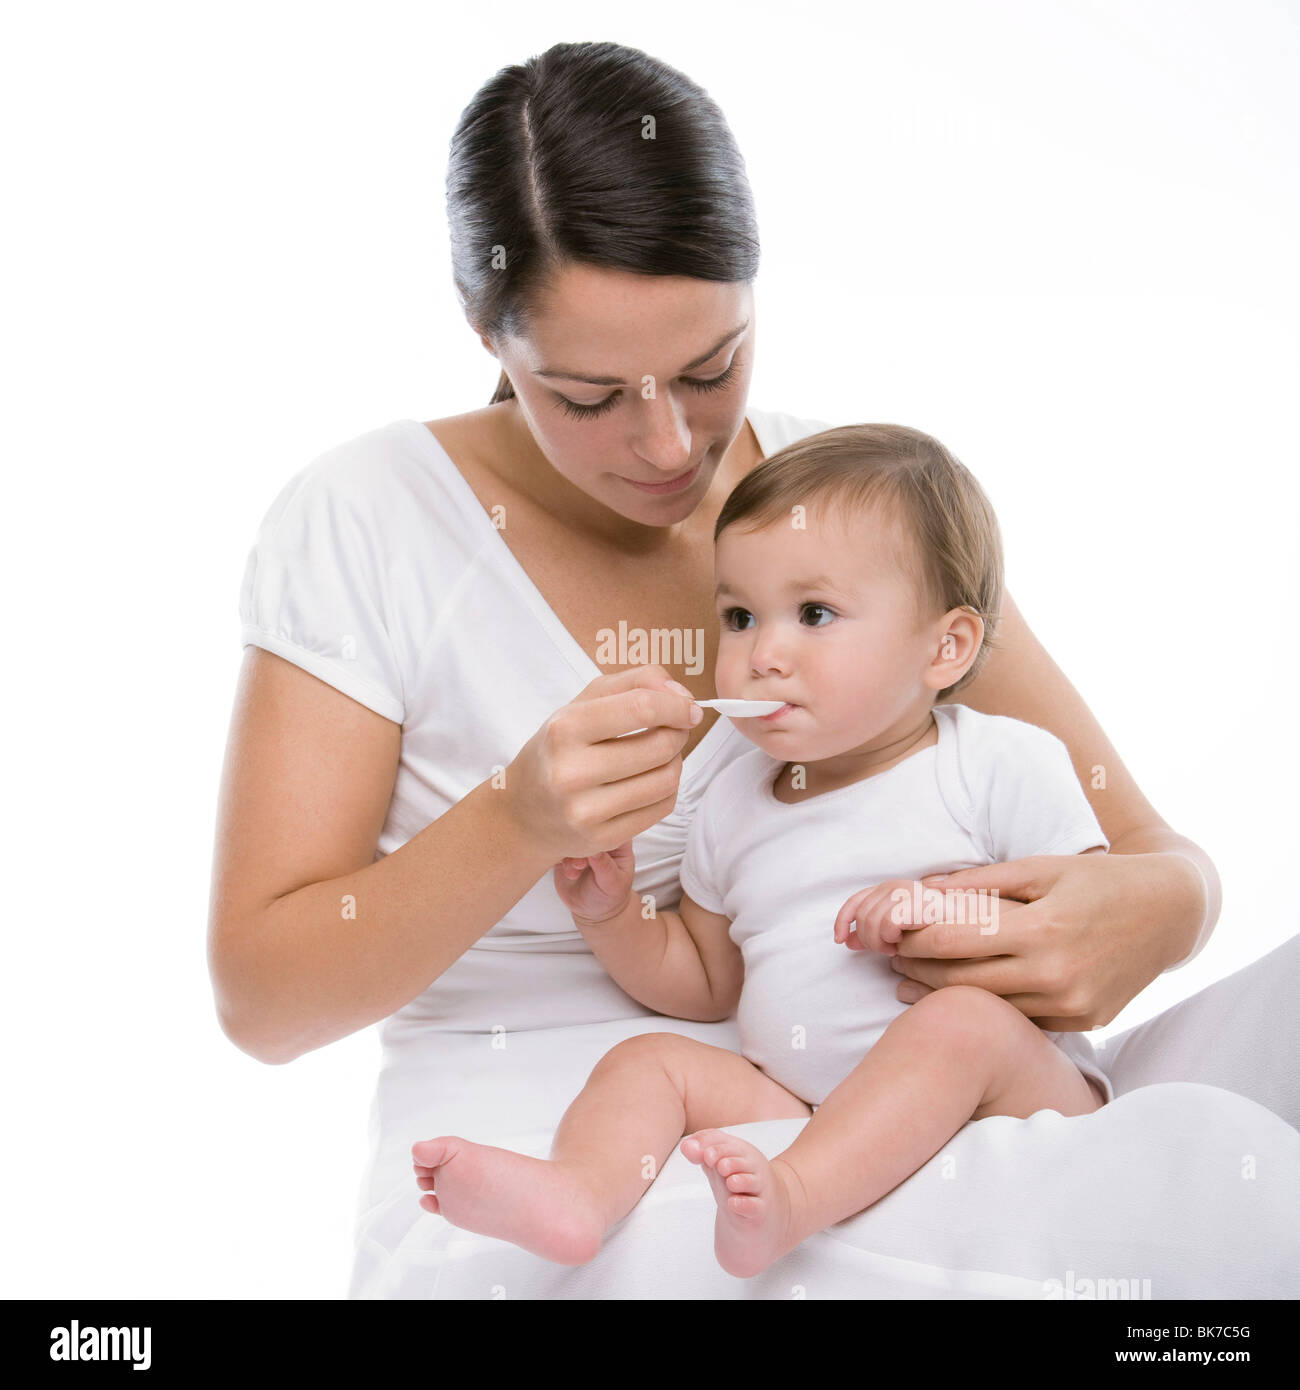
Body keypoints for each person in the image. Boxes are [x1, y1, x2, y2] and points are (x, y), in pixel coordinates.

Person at [207, 41, 1297, 1298]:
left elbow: (1147, 852)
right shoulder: (366, 517)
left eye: (714, 365)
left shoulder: (848, 506)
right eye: (588, 393)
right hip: (607, 1128)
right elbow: (263, 1002)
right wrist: (517, 821)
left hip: (928, 1090)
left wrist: (1162, 909)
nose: (669, 444)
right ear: (485, 332)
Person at [411, 424, 1121, 1277]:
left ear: (947, 647)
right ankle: (578, 1192)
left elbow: (1085, 916)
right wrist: (612, 915)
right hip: (810, 1107)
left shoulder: (995, 762)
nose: (762, 656)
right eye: (740, 617)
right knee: (652, 1062)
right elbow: (708, 979)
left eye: (814, 615)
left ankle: (795, 1199)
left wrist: (947, 908)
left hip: (1012, 1097)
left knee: (960, 1023)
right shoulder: (735, 797)